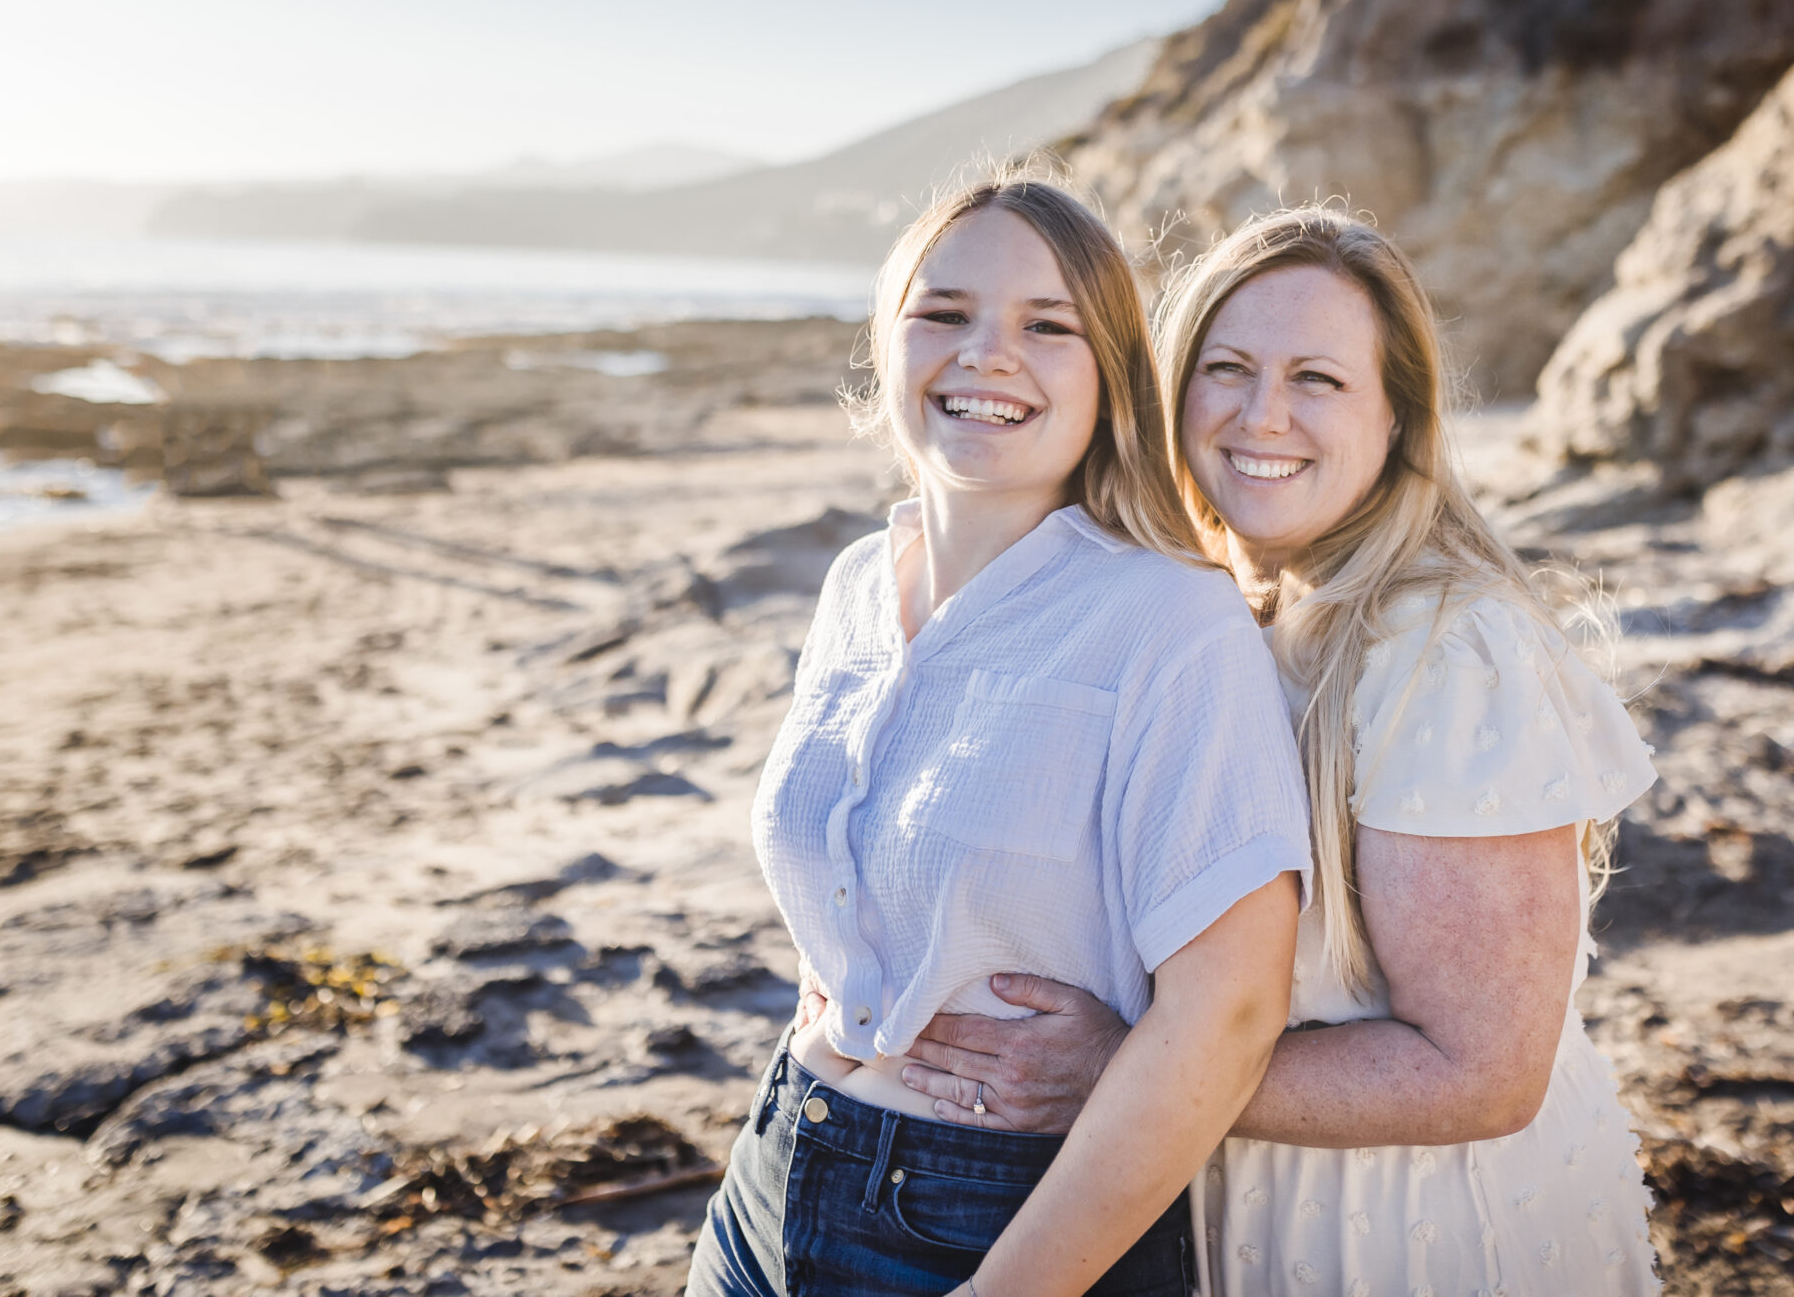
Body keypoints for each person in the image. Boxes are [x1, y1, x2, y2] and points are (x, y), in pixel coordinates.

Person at [895, 207, 1662, 1295]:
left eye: (1317, 380)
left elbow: (1481, 1073)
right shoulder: (1219, 613)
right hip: (1225, 1201)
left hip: (1412, 1230)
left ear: (1397, 418)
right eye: (1227, 367)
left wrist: (1126, 1070)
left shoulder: (1440, 645)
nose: (1263, 416)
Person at [687, 174, 1314, 1297]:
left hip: (1004, 1219)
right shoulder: (853, 586)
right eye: (944, 313)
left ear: (1110, 377)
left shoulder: (1171, 622)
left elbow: (1229, 1011)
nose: (986, 353)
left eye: (1046, 325)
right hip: (773, 1166)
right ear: (889, 343)